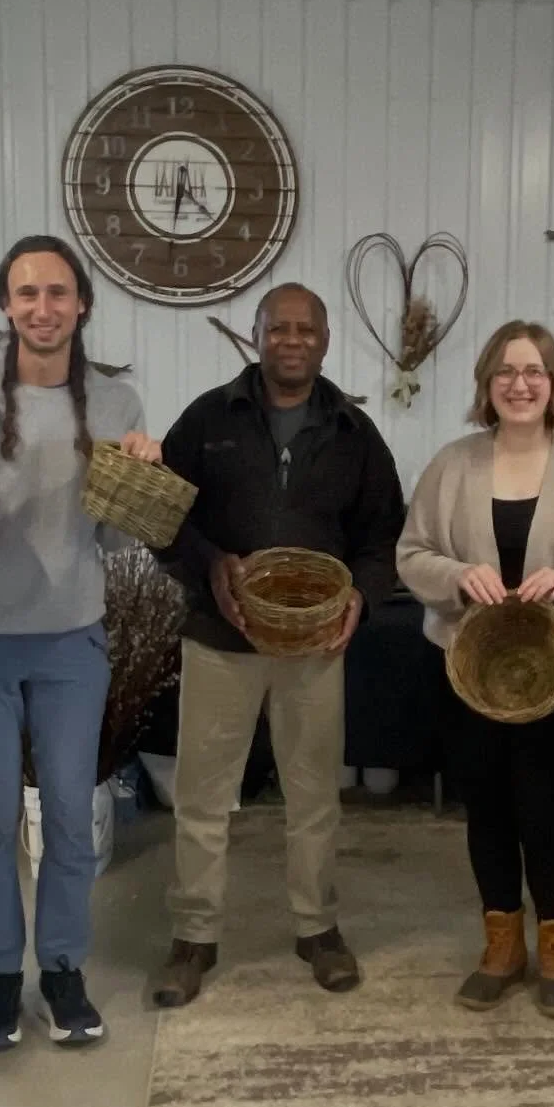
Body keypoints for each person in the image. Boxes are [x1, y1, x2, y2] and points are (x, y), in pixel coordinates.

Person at [151, 283, 405, 1008]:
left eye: (306, 330)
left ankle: (317, 928)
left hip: (315, 645)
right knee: (202, 795)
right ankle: (193, 938)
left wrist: (362, 592)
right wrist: (208, 564)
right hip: (218, 639)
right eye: (277, 328)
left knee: (314, 795)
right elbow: (162, 513)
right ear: (255, 335)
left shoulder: (355, 433)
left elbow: (384, 533)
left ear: (324, 341)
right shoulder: (207, 419)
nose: (291, 341)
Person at [397, 321, 554, 1018]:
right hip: (463, 667)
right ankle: (501, 944)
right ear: (487, 385)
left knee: (544, 810)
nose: (520, 383)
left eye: (534, 370)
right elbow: (412, 553)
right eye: (505, 371)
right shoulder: (453, 464)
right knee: (487, 810)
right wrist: (455, 573)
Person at [0, 235, 159, 1052]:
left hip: (73, 640)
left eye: (58, 294)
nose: (43, 308)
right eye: (26, 293)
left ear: (81, 306)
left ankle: (64, 968)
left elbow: (112, 543)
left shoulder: (116, 404)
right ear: (5, 303)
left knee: (72, 814)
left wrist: (138, 476)